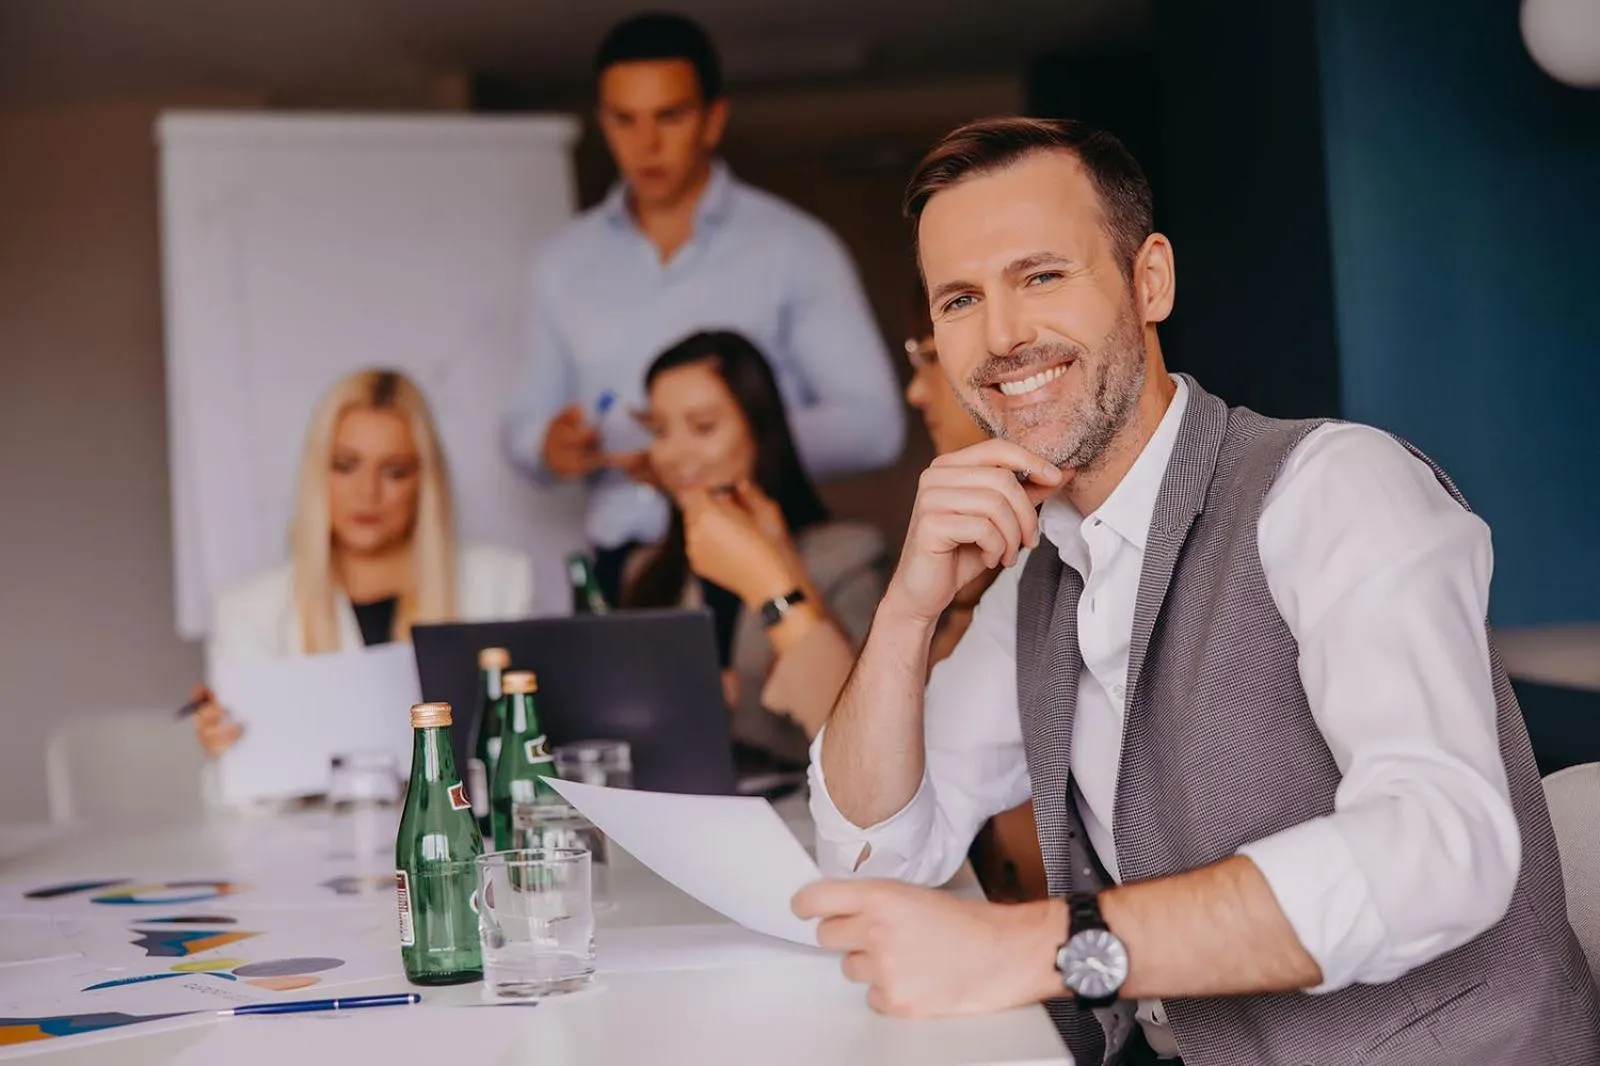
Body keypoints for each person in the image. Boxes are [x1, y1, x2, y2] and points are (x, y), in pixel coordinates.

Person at [796, 117, 1599, 1065]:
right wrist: (908, 608)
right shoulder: (1036, 578)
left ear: (1149, 281)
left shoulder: (1334, 487)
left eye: (1042, 276)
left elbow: (1440, 852)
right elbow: (877, 851)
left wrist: (1038, 947)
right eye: (961, 299)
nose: (1003, 336)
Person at [502, 11, 903, 605]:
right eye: (624, 119)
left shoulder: (793, 248)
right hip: (623, 565)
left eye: (670, 115)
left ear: (713, 120)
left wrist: (720, 445)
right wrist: (549, 445)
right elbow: (522, 431)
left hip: (760, 552)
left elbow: (875, 426)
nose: (647, 143)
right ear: (602, 123)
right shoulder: (561, 264)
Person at [194, 369, 534, 758]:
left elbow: (526, 756)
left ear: (424, 481)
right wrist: (227, 749)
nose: (367, 492)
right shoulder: (247, 611)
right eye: (345, 465)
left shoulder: (501, 583)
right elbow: (252, 805)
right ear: (317, 472)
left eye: (394, 471)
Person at [619, 330, 885, 767]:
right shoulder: (646, 571)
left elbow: (863, 723)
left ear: (759, 430)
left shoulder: (849, 555)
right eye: (660, 430)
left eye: (703, 427)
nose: (674, 453)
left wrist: (779, 561)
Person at [904, 297, 1047, 905]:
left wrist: (780, 594)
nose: (917, 392)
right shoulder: (986, 570)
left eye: (928, 358)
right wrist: (908, 610)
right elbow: (881, 834)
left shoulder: (1053, 558)